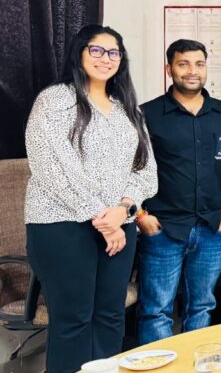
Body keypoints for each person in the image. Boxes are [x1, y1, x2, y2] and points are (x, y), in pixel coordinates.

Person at [24, 25, 157, 372]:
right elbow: (52, 167)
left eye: (114, 52)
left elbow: (146, 171)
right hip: (62, 224)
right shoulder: (55, 100)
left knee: (111, 316)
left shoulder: (128, 109)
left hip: (119, 225)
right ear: (79, 53)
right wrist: (103, 218)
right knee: (73, 320)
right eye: (96, 50)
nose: (105, 58)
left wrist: (123, 210)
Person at [137, 39, 221, 343]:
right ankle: (158, 365)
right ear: (169, 69)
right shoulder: (147, 114)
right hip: (163, 228)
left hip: (212, 227)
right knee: (156, 310)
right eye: (183, 64)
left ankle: (194, 363)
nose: (192, 71)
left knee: (202, 306)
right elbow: (130, 169)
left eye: (199, 64)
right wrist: (142, 216)